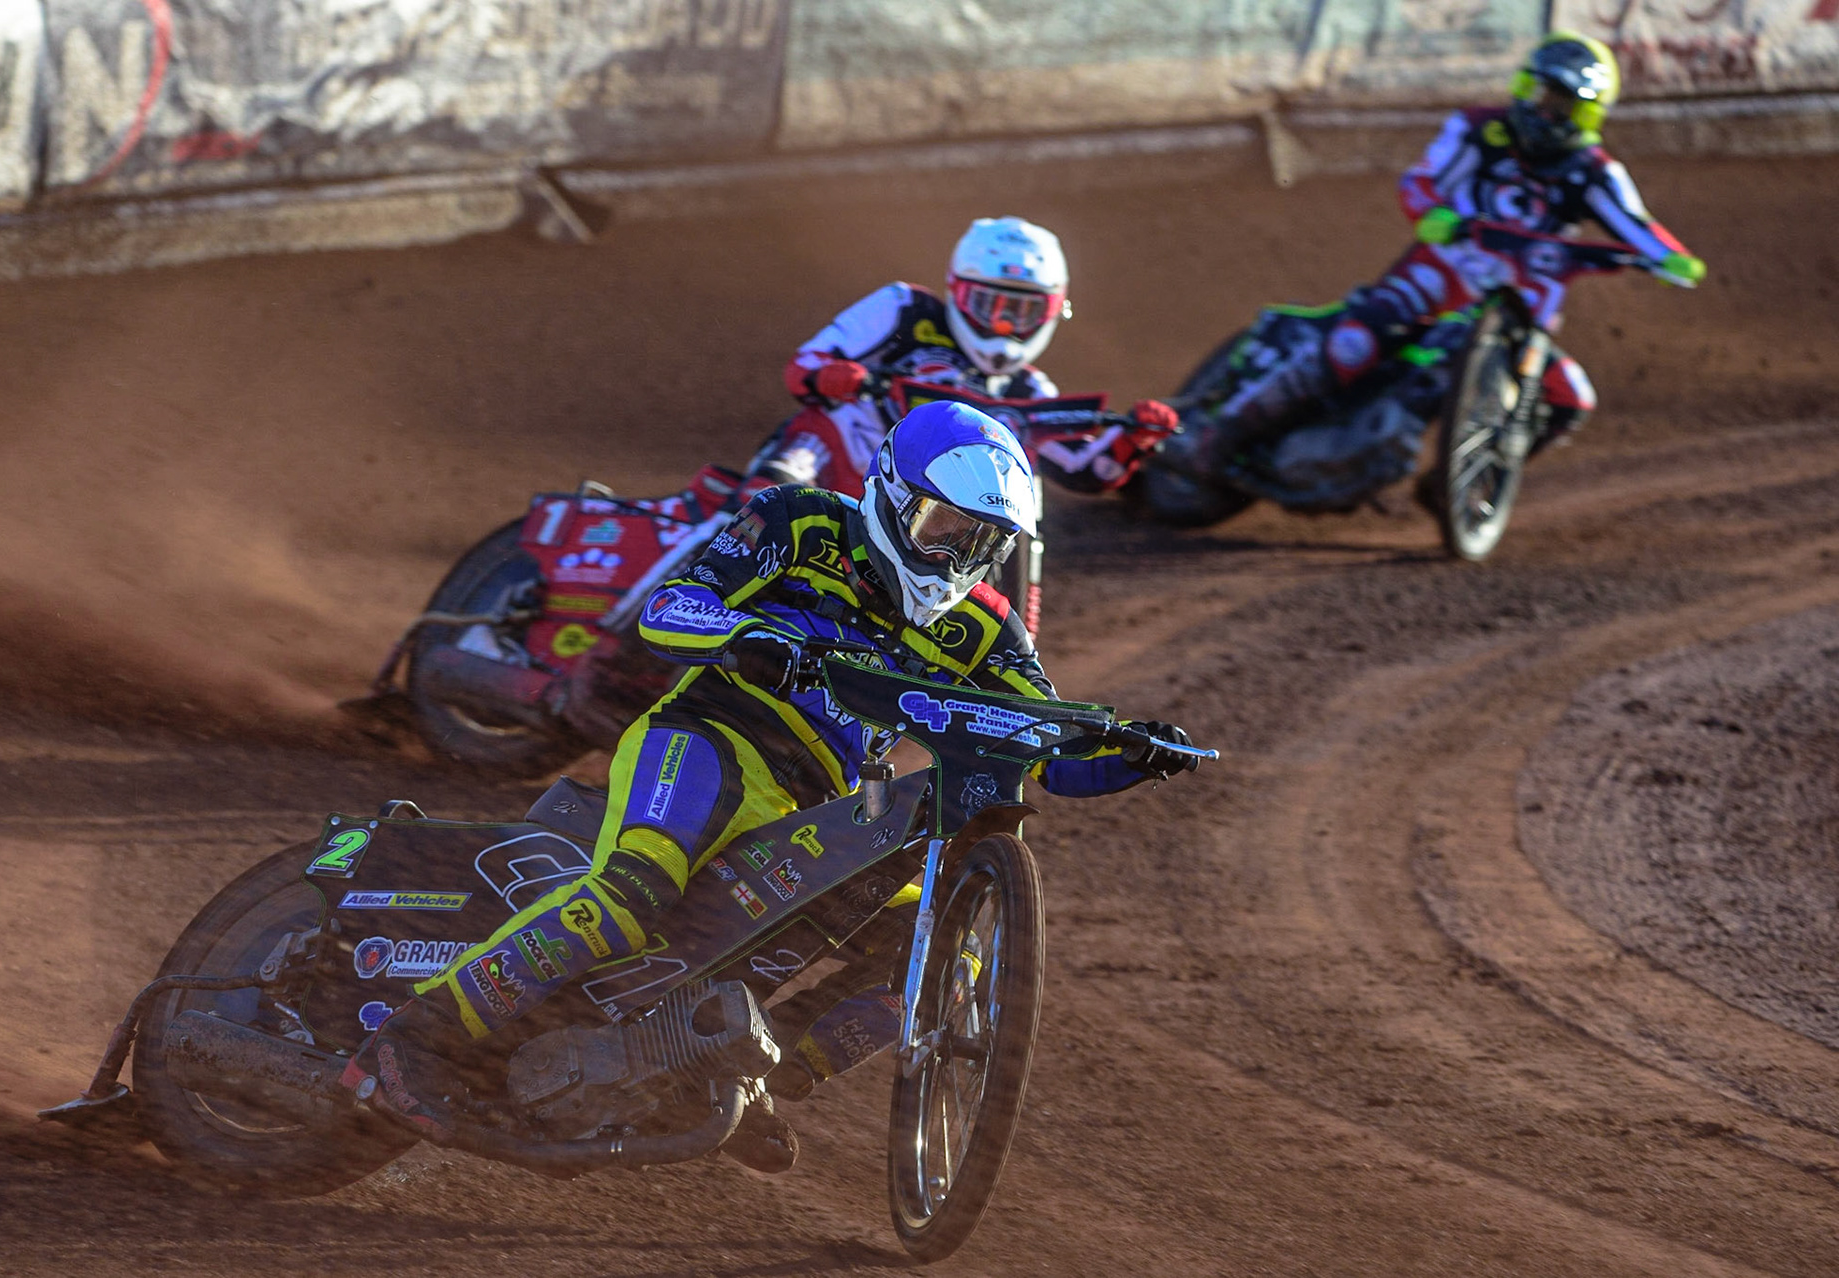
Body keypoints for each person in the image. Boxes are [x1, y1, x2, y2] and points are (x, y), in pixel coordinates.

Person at [343, 400, 1200, 1155]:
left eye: (985, 543)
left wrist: (1125, 751)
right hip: (712, 736)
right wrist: (743, 635)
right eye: (947, 530)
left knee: (933, 953)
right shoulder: (802, 522)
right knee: (631, 892)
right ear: (895, 498)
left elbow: (1047, 749)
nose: (960, 558)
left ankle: (749, 1073)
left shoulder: (986, 626)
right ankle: (414, 1037)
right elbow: (669, 610)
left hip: (822, 806)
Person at [1197, 31, 1707, 469]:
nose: (1537, 107)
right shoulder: (1480, 130)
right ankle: (1223, 436)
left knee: (1569, 399)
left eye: (1555, 102)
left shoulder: (1593, 171)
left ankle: (1465, 483)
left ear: (1584, 113)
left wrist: (1672, 258)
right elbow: (1421, 181)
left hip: (1516, 314)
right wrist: (1433, 214)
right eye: (1534, 91)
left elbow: (1637, 225)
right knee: (1356, 344)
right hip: (1437, 276)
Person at [751, 215, 1180, 496]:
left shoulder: (1026, 388)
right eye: (989, 305)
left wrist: (1133, 439)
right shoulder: (904, 309)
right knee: (806, 450)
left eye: (1023, 310)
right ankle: (724, 545)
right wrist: (833, 377)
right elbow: (804, 367)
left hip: (922, 503)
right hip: (843, 462)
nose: (1004, 326)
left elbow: (1082, 469)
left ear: (1053, 311)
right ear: (957, 291)